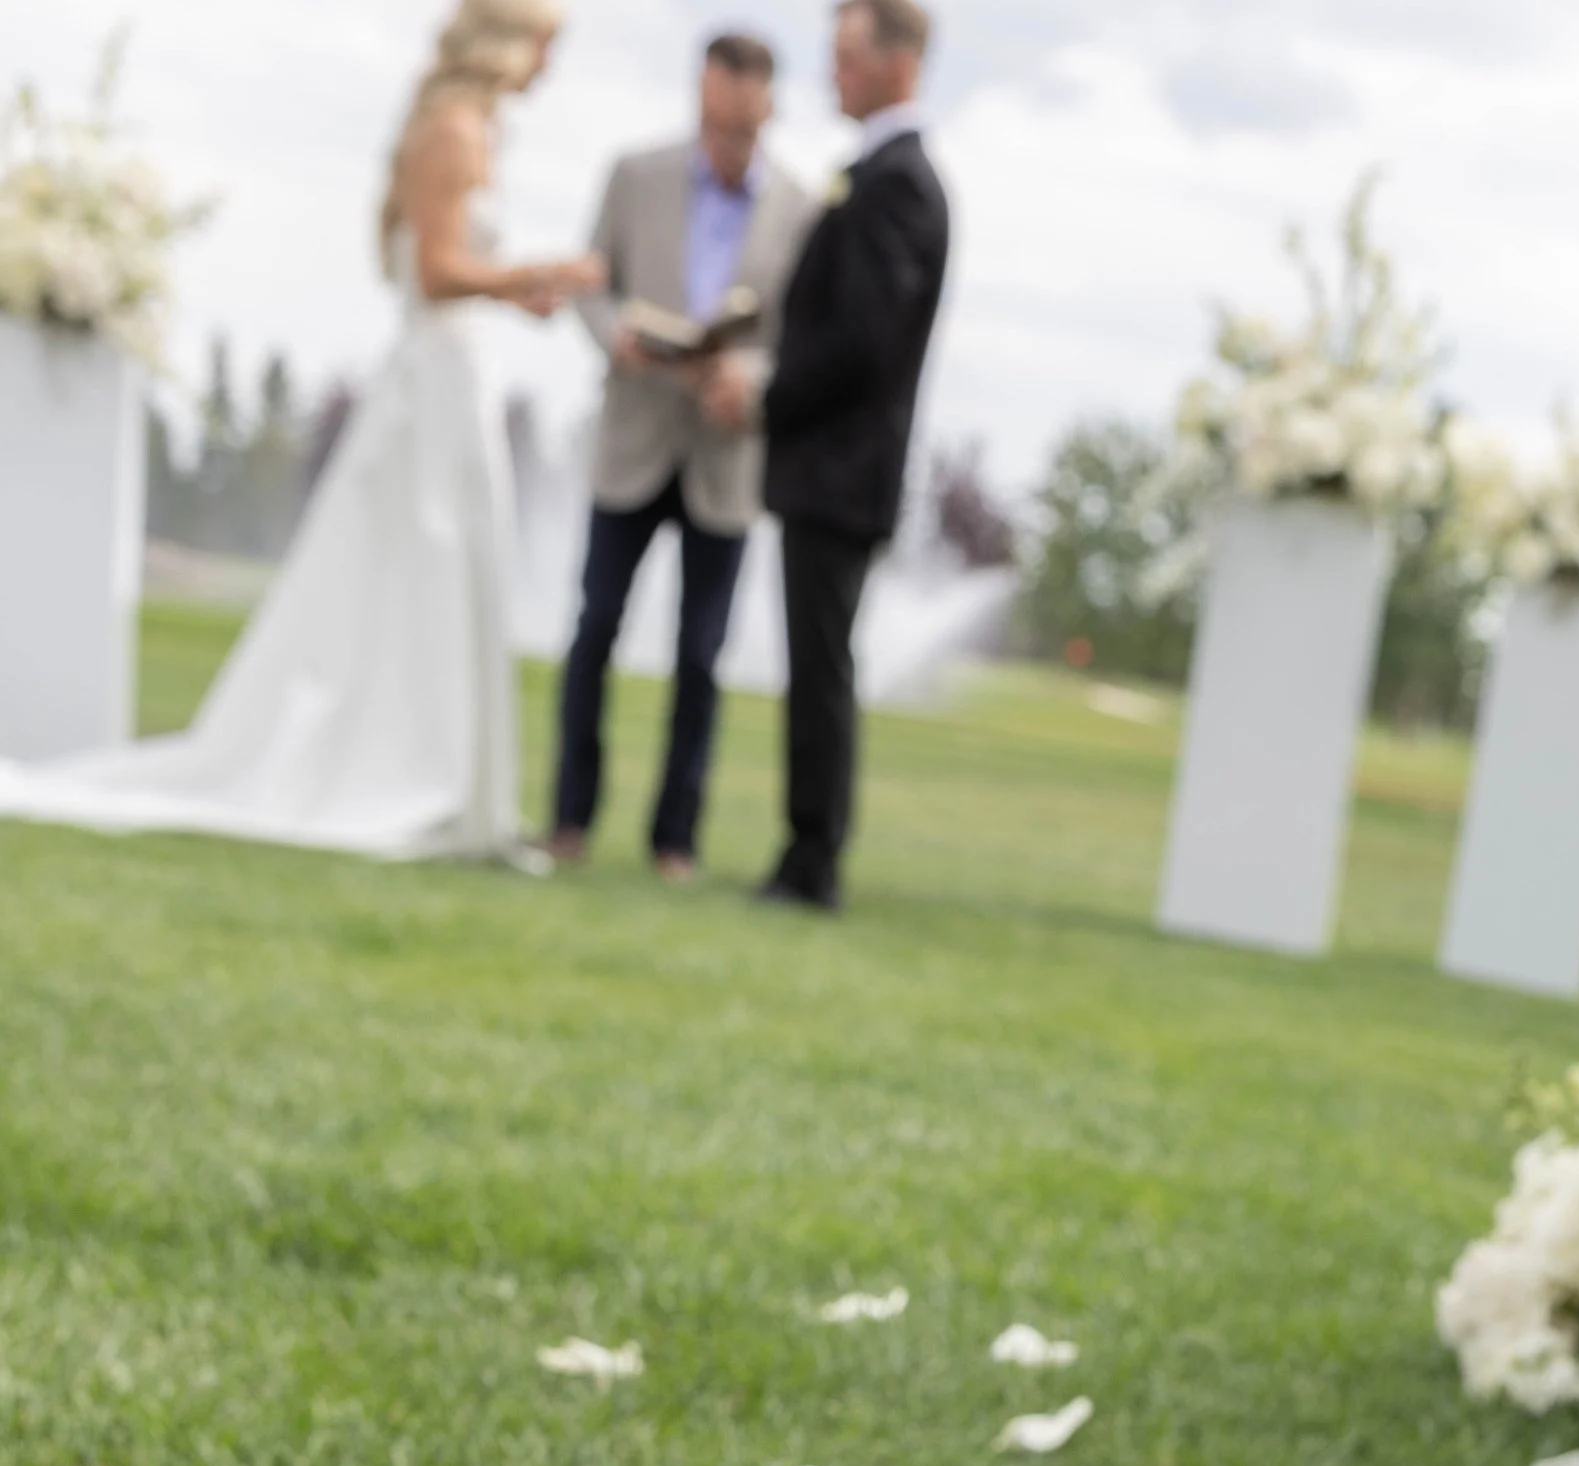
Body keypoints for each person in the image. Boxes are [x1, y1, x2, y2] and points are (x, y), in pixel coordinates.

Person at [0, 2, 600, 862]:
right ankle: (410, 779)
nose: (547, 66)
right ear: (507, 40)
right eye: (546, 45)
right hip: (436, 379)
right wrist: (533, 276)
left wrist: (514, 291)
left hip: (454, 373)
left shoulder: (469, 130)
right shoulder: (455, 131)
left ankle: (448, 788)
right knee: (420, 570)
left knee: (442, 576)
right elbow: (434, 271)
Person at [551, 36, 815, 880]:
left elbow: (799, 336)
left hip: (723, 454)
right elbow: (591, 282)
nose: (725, 116)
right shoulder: (636, 174)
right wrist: (614, 337)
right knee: (594, 629)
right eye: (713, 97)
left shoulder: (801, 210)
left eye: (741, 101)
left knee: (701, 657)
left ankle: (675, 840)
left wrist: (750, 373)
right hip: (634, 434)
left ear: (767, 102)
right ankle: (568, 820)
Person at [754, 0, 952, 913]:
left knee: (823, 667)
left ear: (898, 63)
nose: (831, 73)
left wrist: (765, 394)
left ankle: (812, 858)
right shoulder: (872, 175)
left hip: (841, 472)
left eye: (845, 56)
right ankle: (806, 847)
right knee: (816, 662)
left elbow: (862, 345)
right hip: (827, 470)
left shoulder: (896, 182)